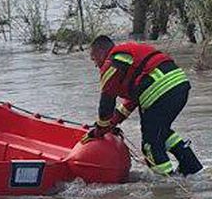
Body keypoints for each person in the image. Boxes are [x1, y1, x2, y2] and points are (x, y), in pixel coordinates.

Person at [84, 35, 203, 176]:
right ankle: (192, 169)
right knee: (161, 133)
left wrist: (100, 129)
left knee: (150, 145)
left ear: (101, 51)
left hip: (159, 91)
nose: (95, 64)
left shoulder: (111, 64)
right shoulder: (127, 57)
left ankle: (167, 185)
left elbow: (106, 103)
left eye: (94, 58)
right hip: (179, 86)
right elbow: (132, 101)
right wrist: (112, 123)